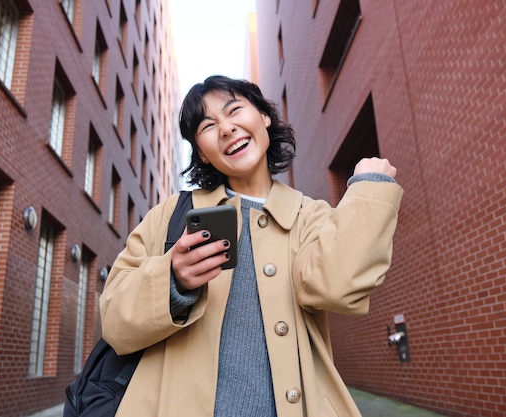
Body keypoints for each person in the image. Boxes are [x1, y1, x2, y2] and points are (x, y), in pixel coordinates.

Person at [100, 75, 403, 417]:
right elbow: (113, 322)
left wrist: (369, 188)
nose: (227, 128)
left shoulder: (311, 216)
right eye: (208, 125)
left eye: (235, 111)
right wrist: (173, 280)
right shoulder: (170, 215)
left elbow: (335, 287)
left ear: (264, 116)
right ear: (202, 152)